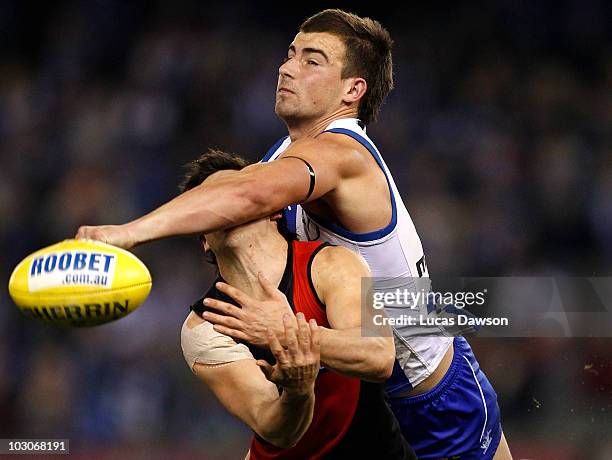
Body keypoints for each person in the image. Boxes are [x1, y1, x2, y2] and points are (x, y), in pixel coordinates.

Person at [77, 9, 512, 459]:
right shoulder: (283, 156)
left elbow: (244, 197)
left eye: (312, 60)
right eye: (290, 54)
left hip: (428, 396)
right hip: (361, 392)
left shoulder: (344, 155)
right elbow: (231, 201)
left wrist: (127, 234)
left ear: (352, 89)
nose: (287, 68)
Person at [180, 149, 415, 459]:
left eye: (236, 194)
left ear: (273, 209)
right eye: (212, 204)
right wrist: (298, 390)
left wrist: (285, 331)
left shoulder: (331, 264)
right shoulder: (206, 326)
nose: (226, 207)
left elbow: (378, 356)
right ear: (205, 239)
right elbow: (276, 428)